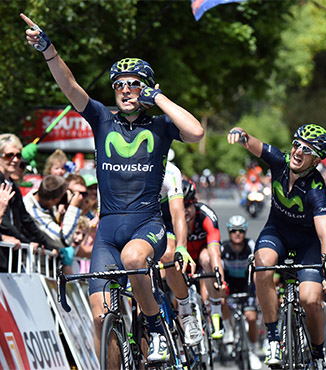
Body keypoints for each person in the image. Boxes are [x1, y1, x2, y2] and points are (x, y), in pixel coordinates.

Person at [22, 13, 204, 363]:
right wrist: (48, 50)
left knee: (134, 259)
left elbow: (196, 133)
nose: (123, 89)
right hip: (106, 233)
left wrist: (160, 98)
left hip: (146, 227)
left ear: (146, 88)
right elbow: (71, 86)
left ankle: (153, 325)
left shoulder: (162, 125)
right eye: (118, 84)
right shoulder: (102, 120)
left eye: (132, 83)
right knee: (100, 316)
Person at [227, 124, 326, 369]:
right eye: (296, 144)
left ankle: (318, 355)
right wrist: (242, 134)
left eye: (306, 150)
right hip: (276, 232)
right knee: (262, 265)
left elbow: (325, 235)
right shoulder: (280, 161)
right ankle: (274, 337)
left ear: (316, 159)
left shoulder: (316, 188)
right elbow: (254, 144)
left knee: (310, 299)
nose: (298, 151)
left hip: (307, 243)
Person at [159, 159, 202, 346]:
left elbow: (178, 213)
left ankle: (185, 313)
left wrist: (181, 247)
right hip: (141, 220)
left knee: (169, 256)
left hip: (166, 219)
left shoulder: (170, 170)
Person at [182, 179, 228, 339]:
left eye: (187, 205)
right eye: (180, 207)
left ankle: (216, 314)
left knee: (208, 259)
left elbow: (214, 251)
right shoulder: (171, 217)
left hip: (202, 254)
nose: (184, 211)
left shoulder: (206, 215)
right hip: (183, 260)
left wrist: (219, 280)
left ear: (195, 203)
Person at [0, 133, 51, 272]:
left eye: (18, 155)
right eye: (9, 155)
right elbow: (3, 221)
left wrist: (44, 244)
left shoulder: (12, 185)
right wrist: (26, 242)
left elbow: (25, 218)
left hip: (11, 256)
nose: (15, 160)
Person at [221, 215, 262, 370]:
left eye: (240, 230)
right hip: (230, 285)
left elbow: (257, 271)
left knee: (251, 318)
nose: (237, 234)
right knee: (222, 301)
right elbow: (219, 271)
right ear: (229, 232)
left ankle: (252, 350)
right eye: (233, 231)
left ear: (245, 231)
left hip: (247, 284)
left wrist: (258, 294)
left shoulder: (251, 246)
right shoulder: (223, 248)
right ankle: (229, 331)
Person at [23, 175, 83, 250]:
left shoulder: (46, 205)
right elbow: (64, 240)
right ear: (54, 200)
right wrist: (74, 207)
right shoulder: (32, 211)